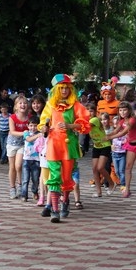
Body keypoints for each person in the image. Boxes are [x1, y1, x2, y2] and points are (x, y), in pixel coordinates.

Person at [38, 74, 90, 223]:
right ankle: (54, 210)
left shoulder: (76, 105)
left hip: (68, 145)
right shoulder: (50, 105)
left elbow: (85, 124)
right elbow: (42, 124)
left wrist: (69, 125)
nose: (64, 91)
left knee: (66, 177)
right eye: (61, 88)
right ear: (56, 90)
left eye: (67, 88)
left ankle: (65, 202)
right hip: (53, 145)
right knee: (54, 176)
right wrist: (44, 128)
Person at [108, 101, 136, 198]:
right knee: (127, 167)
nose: (122, 112)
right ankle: (127, 189)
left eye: (124, 110)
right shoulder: (121, 121)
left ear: (129, 110)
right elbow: (116, 130)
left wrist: (108, 138)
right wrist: (106, 135)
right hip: (130, 145)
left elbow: (123, 133)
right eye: (120, 110)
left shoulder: (132, 120)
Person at [6, 95, 29, 198]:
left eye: (25, 103)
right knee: (12, 167)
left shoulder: (29, 117)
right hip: (11, 144)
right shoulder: (12, 117)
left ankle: (20, 185)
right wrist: (24, 133)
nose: (23, 105)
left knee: (18, 165)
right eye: (20, 103)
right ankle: (12, 187)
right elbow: (12, 131)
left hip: (22, 144)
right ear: (16, 106)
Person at [88, 115, 114, 198]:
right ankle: (99, 192)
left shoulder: (94, 120)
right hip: (96, 147)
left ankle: (111, 183)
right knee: (94, 169)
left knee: (100, 167)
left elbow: (86, 126)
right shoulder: (83, 122)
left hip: (105, 146)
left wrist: (72, 126)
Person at [20, 116, 41, 202]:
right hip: (27, 159)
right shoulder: (26, 133)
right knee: (25, 179)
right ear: (28, 126)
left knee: (35, 179)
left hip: (36, 160)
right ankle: (24, 195)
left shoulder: (40, 134)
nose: (33, 128)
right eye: (31, 125)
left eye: (35, 125)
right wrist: (38, 136)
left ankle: (35, 191)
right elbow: (28, 139)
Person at [110, 114, 126, 190]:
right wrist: (121, 143)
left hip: (122, 154)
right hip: (114, 154)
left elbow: (125, 141)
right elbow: (114, 141)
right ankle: (120, 181)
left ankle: (123, 184)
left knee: (121, 171)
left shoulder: (124, 132)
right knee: (116, 171)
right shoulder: (113, 132)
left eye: (117, 123)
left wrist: (120, 143)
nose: (116, 125)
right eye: (115, 124)